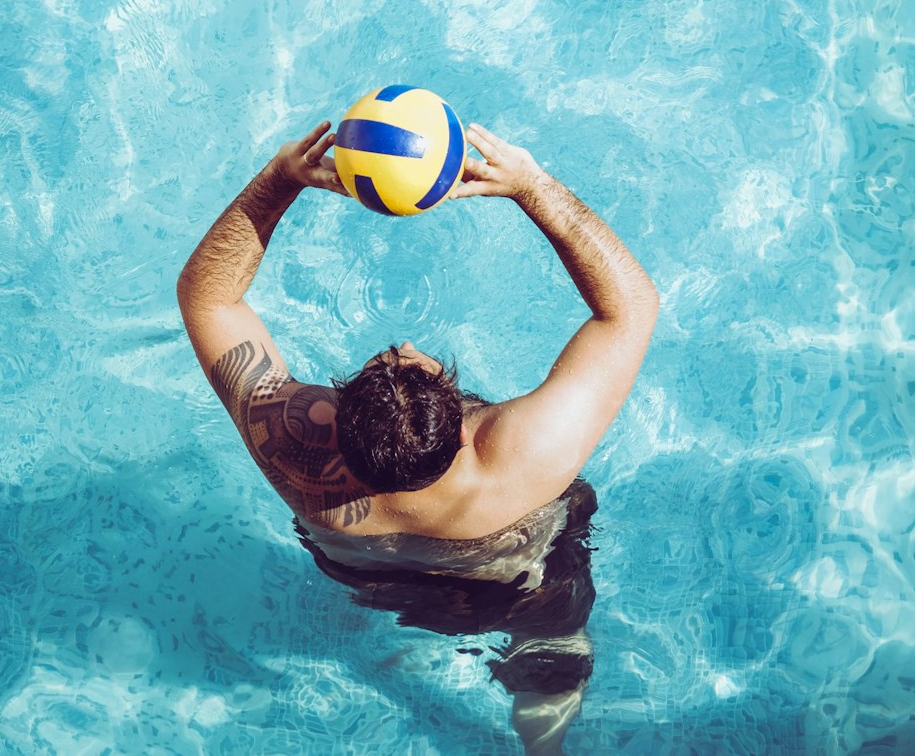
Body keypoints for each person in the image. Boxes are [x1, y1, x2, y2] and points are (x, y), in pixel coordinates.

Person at [177, 119, 659, 753]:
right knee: (551, 663)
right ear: (466, 431)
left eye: (391, 356)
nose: (405, 344)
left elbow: (208, 300)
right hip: (519, 582)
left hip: (374, 579)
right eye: (416, 360)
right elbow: (630, 307)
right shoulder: (522, 456)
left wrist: (278, 181)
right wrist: (530, 187)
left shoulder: (292, 448)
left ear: (333, 415)